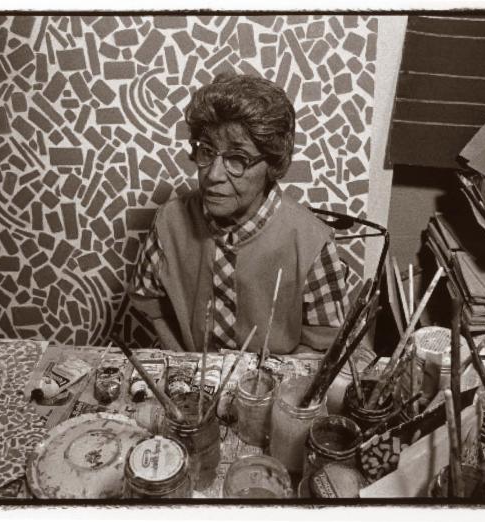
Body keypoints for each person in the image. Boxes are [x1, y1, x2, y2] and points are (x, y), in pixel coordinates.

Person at [128, 73, 350, 355]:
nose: (213, 174)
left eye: (238, 159)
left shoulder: (312, 243)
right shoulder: (169, 222)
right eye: (207, 151)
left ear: (272, 164)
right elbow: (149, 306)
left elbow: (322, 347)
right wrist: (185, 365)